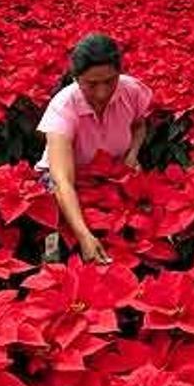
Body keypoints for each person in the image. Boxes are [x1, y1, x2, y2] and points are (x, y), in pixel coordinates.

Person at [35, 33, 152, 263]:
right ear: (76, 78)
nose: (102, 92)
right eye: (91, 84)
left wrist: (132, 155)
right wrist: (83, 235)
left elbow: (139, 126)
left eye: (110, 81)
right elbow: (62, 180)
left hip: (113, 170)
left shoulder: (131, 90)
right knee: (79, 232)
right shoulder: (63, 107)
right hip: (68, 178)